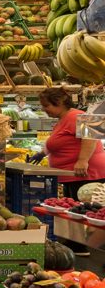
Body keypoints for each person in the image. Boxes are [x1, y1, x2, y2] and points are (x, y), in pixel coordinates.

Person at [31, 87, 105, 231]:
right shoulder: (63, 119)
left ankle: (86, 246)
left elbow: (93, 133)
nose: (44, 109)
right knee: (76, 213)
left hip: (87, 174)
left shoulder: (76, 115)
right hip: (74, 176)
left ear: (59, 102)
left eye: (47, 105)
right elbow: (61, 142)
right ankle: (77, 245)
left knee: (87, 214)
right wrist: (42, 153)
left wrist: (83, 160)